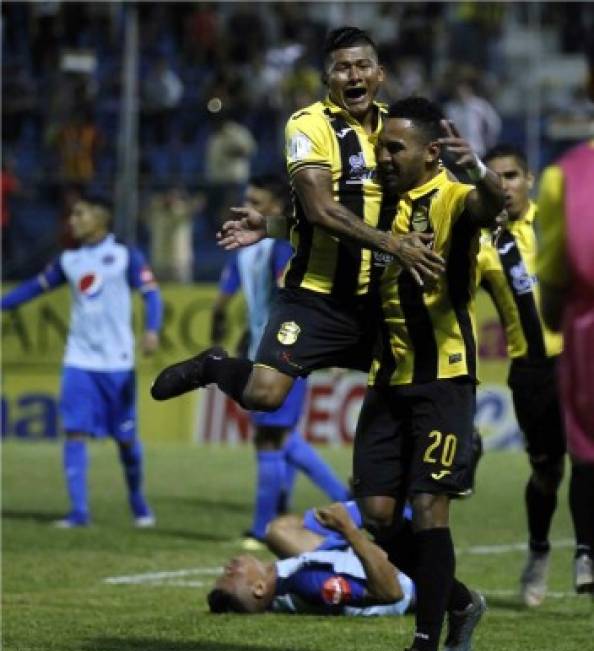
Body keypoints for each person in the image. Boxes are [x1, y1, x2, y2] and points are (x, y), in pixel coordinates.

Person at [151, 26, 444, 410]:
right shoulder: (308, 125)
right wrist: (393, 244)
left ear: (380, 74)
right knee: (264, 394)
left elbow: (432, 191)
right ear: (326, 78)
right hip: (315, 296)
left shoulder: (397, 127)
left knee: (421, 384)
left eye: (363, 66)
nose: (354, 76)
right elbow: (319, 209)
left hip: (379, 295)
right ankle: (212, 365)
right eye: (342, 68)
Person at [351, 97, 503, 651]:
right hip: (387, 380)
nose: (383, 156)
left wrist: (480, 172)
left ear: (430, 152)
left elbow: (490, 206)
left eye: (395, 148)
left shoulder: (453, 197)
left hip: (443, 378)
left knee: (428, 507)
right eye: (380, 146)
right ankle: (460, 602)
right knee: (379, 519)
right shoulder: (378, 205)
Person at [1, 194, 163, 527]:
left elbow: (151, 294)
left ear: (100, 218)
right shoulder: (68, 260)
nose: (72, 220)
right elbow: (33, 288)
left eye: (79, 213)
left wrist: (152, 330)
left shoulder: (124, 256)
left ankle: (137, 501)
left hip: (117, 364)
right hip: (79, 360)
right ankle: (79, 512)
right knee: (74, 432)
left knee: (126, 439)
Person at [211, 175, 349, 544]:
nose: (247, 207)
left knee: (272, 438)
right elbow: (247, 302)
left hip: (286, 351)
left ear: (276, 208)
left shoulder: (278, 247)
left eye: (256, 201)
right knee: (275, 437)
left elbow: (290, 286)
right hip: (266, 349)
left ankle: (264, 527)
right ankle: (337, 500)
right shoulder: (250, 249)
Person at [477, 144, 566, 607]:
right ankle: (538, 550)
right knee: (547, 472)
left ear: (529, 179)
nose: (503, 185)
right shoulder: (484, 244)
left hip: (581, 361)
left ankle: (586, 553)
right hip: (532, 371)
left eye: (511, 176)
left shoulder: (560, 225)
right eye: (494, 177)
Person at [537, 138, 594, 595]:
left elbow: (553, 282)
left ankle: (586, 551)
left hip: (582, 337)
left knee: (586, 457)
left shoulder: (567, 175)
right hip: (543, 357)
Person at [208, 502, 415, 617]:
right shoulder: (309, 581)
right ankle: (387, 503)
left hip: (386, 560)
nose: (229, 566)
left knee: (278, 532)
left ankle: (371, 503)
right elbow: (392, 592)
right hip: (411, 578)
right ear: (259, 588)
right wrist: (348, 530)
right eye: (231, 574)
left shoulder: (289, 579)